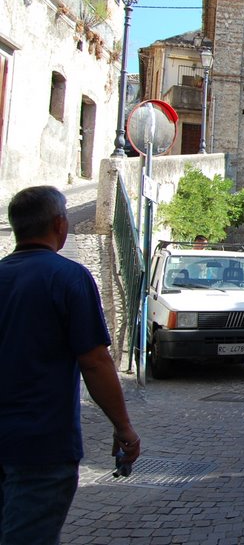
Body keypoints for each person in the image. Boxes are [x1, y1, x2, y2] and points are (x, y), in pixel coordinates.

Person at [0, 186, 141, 544]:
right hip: (42, 445)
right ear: (61, 224)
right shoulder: (69, 278)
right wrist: (123, 427)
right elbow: (95, 362)